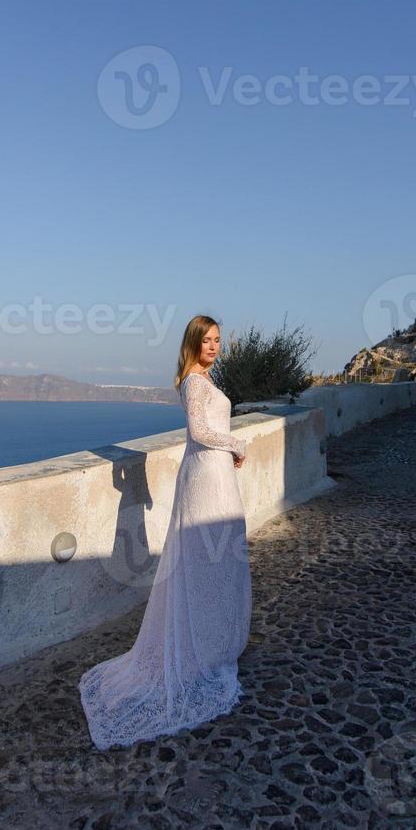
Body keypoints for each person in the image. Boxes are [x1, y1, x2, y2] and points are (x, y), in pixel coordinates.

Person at [78, 315, 252, 750]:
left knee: (215, 560)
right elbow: (198, 431)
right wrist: (236, 444)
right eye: (206, 340)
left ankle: (211, 643)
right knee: (204, 561)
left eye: (217, 340)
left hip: (212, 473)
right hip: (205, 477)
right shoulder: (195, 381)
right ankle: (197, 650)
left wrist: (225, 450)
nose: (213, 346)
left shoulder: (205, 379)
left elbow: (205, 434)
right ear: (193, 342)